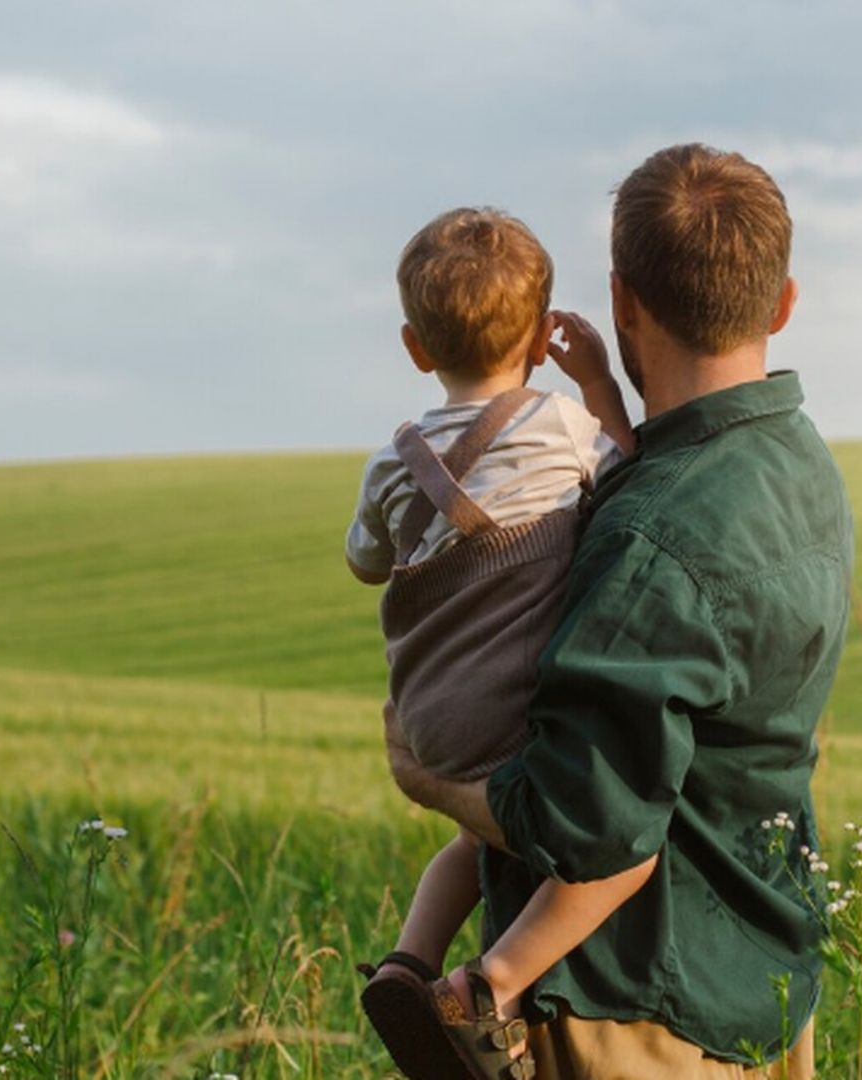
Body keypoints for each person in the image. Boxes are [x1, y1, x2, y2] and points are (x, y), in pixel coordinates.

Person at [385, 144, 853, 1079]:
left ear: (622, 302)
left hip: (634, 1012)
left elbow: (581, 825)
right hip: (760, 976)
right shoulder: (800, 465)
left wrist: (430, 782)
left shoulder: (647, 538)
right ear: (783, 303)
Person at [345, 206, 658, 1079]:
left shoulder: (391, 461)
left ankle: (407, 965)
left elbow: (364, 563)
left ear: (414, 346)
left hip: (430, 719)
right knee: (619, 853)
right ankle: (489, 986)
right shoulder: (558, 425)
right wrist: (597, 380)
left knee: (474, 843)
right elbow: (630, 466)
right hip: (517, 714)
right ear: (536, 338)